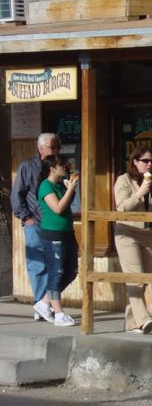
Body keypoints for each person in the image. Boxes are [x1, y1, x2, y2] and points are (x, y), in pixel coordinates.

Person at [114, 146, 152, 334]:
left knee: (143, 279)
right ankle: (144, 319)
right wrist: (139, 193)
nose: (149, 164)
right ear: (135, 162)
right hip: (127, 234)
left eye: (151, 161)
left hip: (149, 234)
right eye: (145, 161)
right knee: (135, 279)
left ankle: (131, 322)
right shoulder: (123, 180)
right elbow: (121, 208)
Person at [11, 132, 61, 322]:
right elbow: (17, 195)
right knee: (38, 265)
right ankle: (41, 303)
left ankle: (47, 304)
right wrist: (26, 218)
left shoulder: (58, 166)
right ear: (41, 148)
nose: (56, 151)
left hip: (54, 223)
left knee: (57, 266)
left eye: (57, 147)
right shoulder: (27, 166)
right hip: (35, 222)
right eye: (52, 147)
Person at [37, 154, 79, 327]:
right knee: (57, 272)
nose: (65, 166)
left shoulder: (61, 185)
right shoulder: (45, 186)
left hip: (67, 232)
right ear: (52, 168)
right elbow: (58, 208)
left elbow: (68, 204)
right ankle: (59, 313)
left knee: (71, 271)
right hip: (53, 234)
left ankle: (43, 303)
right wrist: (70, 189)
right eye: (61, 164)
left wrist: (70, 189)